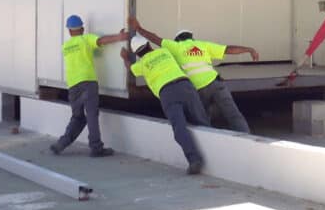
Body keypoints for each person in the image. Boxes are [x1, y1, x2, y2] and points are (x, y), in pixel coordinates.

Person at [128, 16, 258, 133]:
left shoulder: (176, 47)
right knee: (233, 114)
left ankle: (209, 142)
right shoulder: (203, 45)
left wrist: (138, 28)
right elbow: (228, 49)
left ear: (178, 40)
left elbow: (155, 38)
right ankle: (246, 137)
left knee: (202, 119)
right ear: (191, 37)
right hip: (216, 83)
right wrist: (248, 49)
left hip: (197, 89)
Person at [120, 33, 210, 174]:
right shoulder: (165, 52)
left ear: (137, 54)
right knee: (201, 120)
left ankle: (194, 160)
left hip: (167, 93)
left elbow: (130, 68)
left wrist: (125, 57)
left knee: (179, 128)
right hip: (185, 86)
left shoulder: (142, 65)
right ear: (149, 46)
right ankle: (216, 152)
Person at [50, 15, 129, 157]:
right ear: (82, 28)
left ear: (69, 31)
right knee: (91, 115)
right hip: (88, 82)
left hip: (73, 85)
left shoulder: (66, 46)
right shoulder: (85, 39)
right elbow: (102, 40)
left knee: (77, 117)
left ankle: (61, 144)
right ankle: (96, 147)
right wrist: (120, 36)